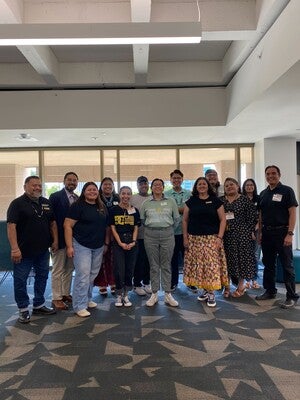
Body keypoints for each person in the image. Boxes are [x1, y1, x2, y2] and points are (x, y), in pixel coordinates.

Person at [7, 175, 58, 324]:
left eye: (39, 185)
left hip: (42, 251)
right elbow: (11, 227)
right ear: (25, 187)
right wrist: (15, 249)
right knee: (20, 280)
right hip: (23, 252)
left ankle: (39, 304)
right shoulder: (17, 204)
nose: (37, 188)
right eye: (34, 185)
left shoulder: (46, 203)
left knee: (42, 277)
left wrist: (55, 240)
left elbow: (53, 223)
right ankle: (23, 309)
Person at [255, 165, 299, 308]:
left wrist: (290, 234)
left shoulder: (287, 191)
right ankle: (270, 290)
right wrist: (260, 233)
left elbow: (292, 213)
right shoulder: (263, 193)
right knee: (268, 264)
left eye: (273, 173)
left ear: (279, 175)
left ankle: (292, 296)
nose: (270, 176)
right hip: (267, 233)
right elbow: (261, 216)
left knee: (287, 266)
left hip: (282, 232)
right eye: (268, 174)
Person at [64, 182, 109, 317]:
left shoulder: (102, 206)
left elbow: (106, 227)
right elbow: (67, 226)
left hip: (98, 245)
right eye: (89, 190)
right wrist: (69, 246)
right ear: (84, 192)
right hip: (81, 245)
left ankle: (87, 299)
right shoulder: (77, 206)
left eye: (94, 190)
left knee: (92, 274)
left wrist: (106, 244)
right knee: (82, 275)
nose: (92, 192)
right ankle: (79, 305)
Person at [182, 177, 228, 307]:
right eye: (199, 184)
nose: (202, 186)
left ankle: (212, 293)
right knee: (200, 266)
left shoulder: (216, 201)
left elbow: (223, 220)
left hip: (211, 239)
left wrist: (219, 237)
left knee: (211, 265)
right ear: (196, 187)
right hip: (194, 239)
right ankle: (206, 291)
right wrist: (185, 238)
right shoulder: (191, 201)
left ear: (208, 186)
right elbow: (184, 220)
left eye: (204, 184)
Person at [140, 178, 180, 307]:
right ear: (152, 187)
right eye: (155, 184)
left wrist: (167, 229)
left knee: (166, 265)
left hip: (168, 234)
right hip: (150, 235)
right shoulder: (146, 203)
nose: (157, 186)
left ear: (163, 187)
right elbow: (142, 220)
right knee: (153, 265)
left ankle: (168, 294)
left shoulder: (171, 201)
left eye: (160, 185)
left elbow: (177, 219)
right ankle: (154, 293)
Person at [221, 177, 257, 298]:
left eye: (232, 184)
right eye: (226, 186)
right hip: (226, 236)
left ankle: (241, 286)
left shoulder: (245, 200)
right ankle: (226, 286)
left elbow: (252, 217)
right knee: (226, 261)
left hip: (243, 236)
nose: (229, 187)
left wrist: (249, 231)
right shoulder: (220, 201)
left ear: (237, 186)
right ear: (224, 189)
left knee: (242, 260)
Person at [49, 172, 79, 310]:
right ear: (64, 181)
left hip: (74, 241)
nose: (72, 182)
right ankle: (56, 298)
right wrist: (54, 240)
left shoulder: (78, 199)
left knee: (69, 268)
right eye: (69, 180)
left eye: (74, 180)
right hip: (59, 240)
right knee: (58, 269)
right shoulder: (55, 197)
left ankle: (65, 293)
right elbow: (52, 221)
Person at [110, 186, 140, 307]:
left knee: (129, 269)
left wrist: (133, 241)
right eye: (123, 193)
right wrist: (120, 243)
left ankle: (126, 294)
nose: (126, 196)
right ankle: (119, 294)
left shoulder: (135, 210)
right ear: (120, 194)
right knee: (119, 269)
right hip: (118, 242)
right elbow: (112, 228)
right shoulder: (113, 210)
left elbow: (136, 228)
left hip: (132, 242)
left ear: (131, 195)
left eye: (128, 194)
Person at [165, 169, 191, 291]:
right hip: (172, 232)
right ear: (171, 180)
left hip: (187, 232)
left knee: (189, 258)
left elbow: (190, 210)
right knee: (173, 259)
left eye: (178, 178)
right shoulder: (166, 194)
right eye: (174, 178)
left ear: (182, 179)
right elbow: (168, 211)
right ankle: (173, 282)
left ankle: (191, 282)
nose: (176, 180)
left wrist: (176, 209)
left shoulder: (189, 193)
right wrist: (182, 209)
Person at [94, 177, 119, 295]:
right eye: (105, 185)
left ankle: (113, 282)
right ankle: (102, 284)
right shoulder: (96, 198)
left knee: (113, 259)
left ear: (113, 186)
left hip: (116, 232)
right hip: (100, 232)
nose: (108, 187)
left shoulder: (118, 198)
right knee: (101, 259)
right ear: (101, 186)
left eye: (110, 185)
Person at [131, 176, 151, 296]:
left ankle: (146, 282)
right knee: (138, 261)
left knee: (149, 261)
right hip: (136, 236)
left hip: (150, 236)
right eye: (141, 184)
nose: (143, 186)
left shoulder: (153, 198)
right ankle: (137, 283)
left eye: (145, 184)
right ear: (137, 185)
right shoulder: (132, 198)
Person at [242, 178, 261, 289]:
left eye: (251, 185)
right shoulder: (241, 199)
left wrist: (255, 230)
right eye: (247, 185)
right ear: (244, 187)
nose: (249, 187)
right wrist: (248, 231)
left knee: (255, 256)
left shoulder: (259, 199)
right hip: (244, 231)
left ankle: (254, 280)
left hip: (257, 230)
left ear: (254, 186)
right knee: (246, 255)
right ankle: (247, 280)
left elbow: (260, 216)